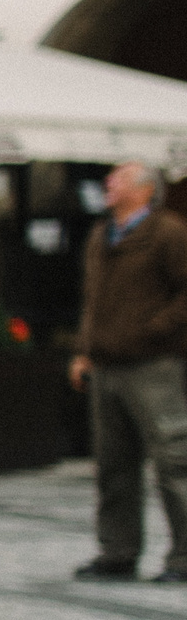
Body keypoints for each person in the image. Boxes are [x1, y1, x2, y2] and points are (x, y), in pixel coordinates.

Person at [70, 161, 187, 583]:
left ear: (143, 189)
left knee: (174, 460)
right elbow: (92, 299)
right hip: (107, 365)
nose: (108, 184)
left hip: (154, 365)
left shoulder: (168, 232)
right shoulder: (102, 235)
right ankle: (117, 552)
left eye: (116, 179)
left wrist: (155, 330)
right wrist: (83, 350)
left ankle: (184, 556)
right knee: (113, 465)